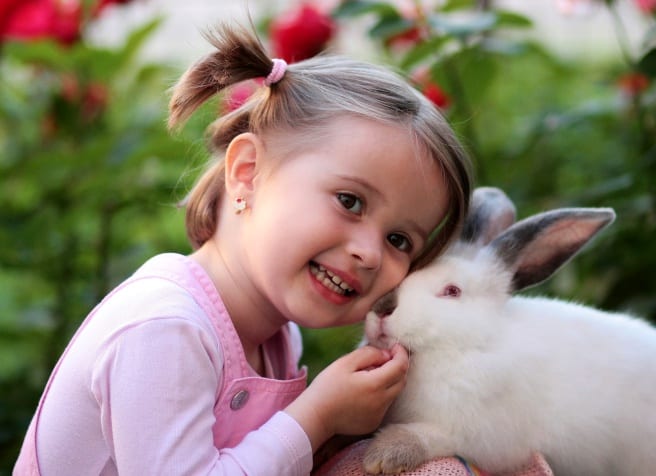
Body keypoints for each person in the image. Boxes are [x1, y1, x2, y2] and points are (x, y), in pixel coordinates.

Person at [14, 22, 472, 476]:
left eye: (399, 240)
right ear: (249, 172)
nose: (370, 254)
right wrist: (317, 417)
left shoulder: (277, 338)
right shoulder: (165, 327)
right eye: (350, 201)